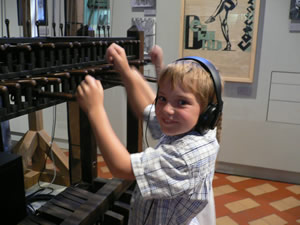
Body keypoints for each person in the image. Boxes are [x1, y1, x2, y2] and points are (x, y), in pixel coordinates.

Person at [76, 43, 223, 225]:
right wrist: (125, 71)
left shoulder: (187, 155)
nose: (167, 110)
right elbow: (147, 109)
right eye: (162, 98)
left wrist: (95, 109)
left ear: (208, 111)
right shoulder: (189, 126)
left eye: (182, 102)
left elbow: (120, 167)